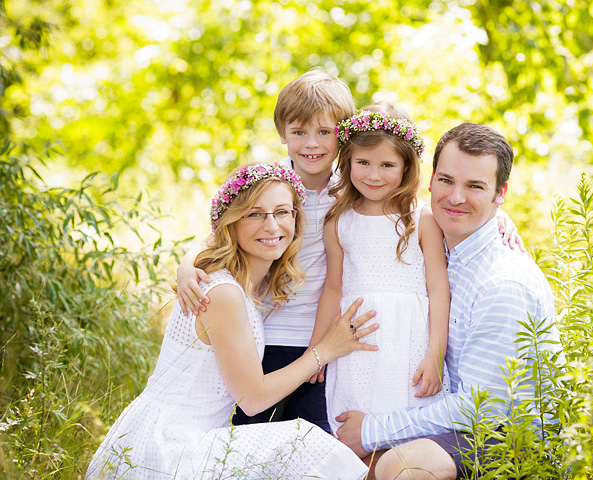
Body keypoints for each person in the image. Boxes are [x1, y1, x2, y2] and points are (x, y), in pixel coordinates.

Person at [86, 163, 377, 480]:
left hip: (188, 436)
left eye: (282, 212)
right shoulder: (223, 293)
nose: (271, 225)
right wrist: (325, 349)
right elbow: (253, 400)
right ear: (232, 222)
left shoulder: (249, 285)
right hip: (167, 446)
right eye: (255, 214)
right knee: (303, 442)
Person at [335, 123, 564, 480]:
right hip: (460, 423)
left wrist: (370, 431)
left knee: (404, 466)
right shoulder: (439, 242)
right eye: (446, 180)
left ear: (500, 193)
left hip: (509, 440)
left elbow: (480, 408)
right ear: (429, 181)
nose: (456, 197)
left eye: (475, 186)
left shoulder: (503, 283)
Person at [176, 69, 355, 432]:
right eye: (299, 132)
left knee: (311, 438)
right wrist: (186, 265)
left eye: (325, 132)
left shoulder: (353, 191)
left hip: (318, 340)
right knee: (251, 438)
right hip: (263, 335)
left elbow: (408, 208)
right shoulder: (268, 187)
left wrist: (499, 221)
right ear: (282, 134)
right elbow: (224, 233)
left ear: (343, 135)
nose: (311, 143)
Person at [310, 103, 451, 436]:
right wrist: (316, 350)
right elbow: (333, 288)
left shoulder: (421, 218)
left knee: (406, 425)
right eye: (363, 163)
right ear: (347, 163)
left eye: (387, 165)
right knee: (352, 426)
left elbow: (438, 290)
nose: (373, 175)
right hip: (357, 338)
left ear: (406, 167)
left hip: (409, 338)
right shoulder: (338, 220)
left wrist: (435, 355)